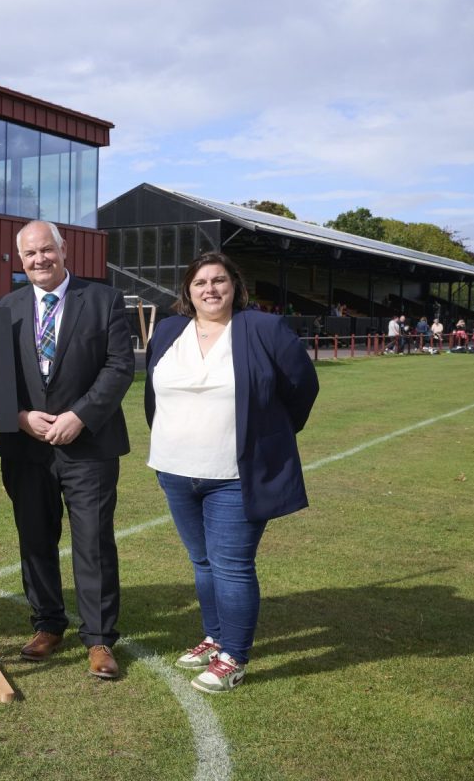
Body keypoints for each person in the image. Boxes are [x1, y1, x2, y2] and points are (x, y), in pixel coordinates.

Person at [144, 252, 319, 693]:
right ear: (187, 290)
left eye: (219, 280)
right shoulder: (167, 330)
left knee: (232, 565)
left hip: (234, 475)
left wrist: (269, 432)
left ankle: (235, 657)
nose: (210, 289)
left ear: (234, 286)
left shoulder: (262, 328)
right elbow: (153, 393)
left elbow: (301, 386)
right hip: (175, 468)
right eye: (200, 282)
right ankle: (216, 636)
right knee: (202, 562)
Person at [0, 220, 133, 679]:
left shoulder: (104, 299)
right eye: (30, 254)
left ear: (64, 249)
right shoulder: (6, 309)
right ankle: (48, 624)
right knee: (35, 538)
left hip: (88, 445)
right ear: (21, 260)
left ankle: (98, 639)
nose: (39, 260)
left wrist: (80, 416)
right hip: (26, 447)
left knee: (92, 542)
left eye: (46, 250)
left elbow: (118, 367)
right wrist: (18, 416)